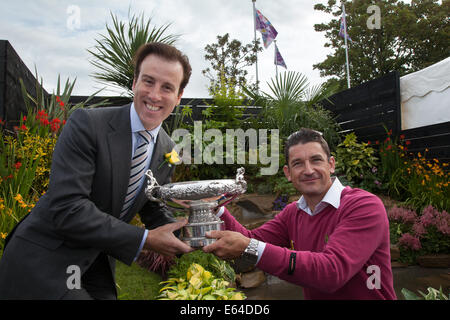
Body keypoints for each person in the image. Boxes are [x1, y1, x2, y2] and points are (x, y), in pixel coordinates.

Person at [0, 42, 193, 300]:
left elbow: (152, 206)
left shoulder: (168, 149)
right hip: (44, 260)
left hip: (95, 264)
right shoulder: (87, 125)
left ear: (178, 96)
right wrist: (144, 239)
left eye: (167, 87)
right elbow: (68, 208)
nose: (155, 95)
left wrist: (194, 235)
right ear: (134, 82)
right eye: (148, 81)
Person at [203, 128, 397, 300]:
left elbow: (332, 272)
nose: (308, 170)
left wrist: (252, 247)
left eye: (316, 160)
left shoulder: (363, 206)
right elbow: (250, 238)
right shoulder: (293, 213)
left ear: (331, 164)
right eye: (298, 164)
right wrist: (215, 207)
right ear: (288, 173)